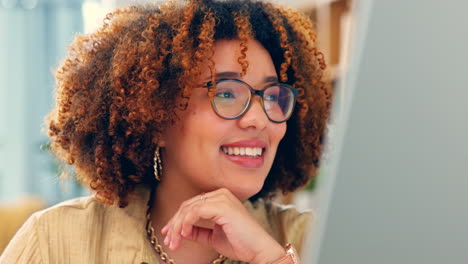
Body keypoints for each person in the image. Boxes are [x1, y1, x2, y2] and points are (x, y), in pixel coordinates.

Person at [0, 0, 331, 263]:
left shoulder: (314, 240)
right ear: (156, 118)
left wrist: (269, 259)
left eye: (272, 96)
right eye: (226, 93)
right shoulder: (54, 243)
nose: (259, 119)